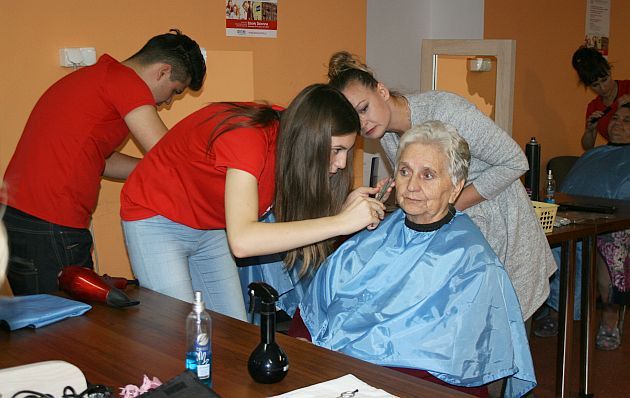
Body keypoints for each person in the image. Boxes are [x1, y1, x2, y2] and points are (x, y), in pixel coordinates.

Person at [289, 121, 536, 398]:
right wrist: (304, 345)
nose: (412, 186)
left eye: (428, 175)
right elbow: (313, 309)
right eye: (405, 171)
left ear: (455, 188)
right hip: (336, 372)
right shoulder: (370, 235)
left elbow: (458, 365)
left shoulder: (474, 262)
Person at [120, 84, 387, 320]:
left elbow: (299, 212)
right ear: (309, 141)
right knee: (176, 334)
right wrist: (339, 223)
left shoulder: (293, 132)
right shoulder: (249, 139)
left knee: (233, 331)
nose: (341, 164)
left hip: (209, 225)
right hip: (155, 216)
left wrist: (342, 208)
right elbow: (243, 241)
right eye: (336, 150)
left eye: (347, 151)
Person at [326, 51, 556, 323]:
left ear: (382, 91)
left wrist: (449, 206)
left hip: (501, 224)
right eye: (354, 119)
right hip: (457, 232)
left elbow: (515, 161)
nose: (362, 123)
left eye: (364, 109)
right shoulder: (386, 135)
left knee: (502, 331)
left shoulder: (448, 112)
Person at [2, 29, 206, 296]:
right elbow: (168, 156)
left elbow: (102, 159)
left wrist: (147, 170)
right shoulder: (126, 83)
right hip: (49, 223)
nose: (167, 102)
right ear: (163, 71)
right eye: (174, 91)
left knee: (47, 323)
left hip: (24, 218)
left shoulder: (100, 77)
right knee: (62, 326)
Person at [541, 104, 630, 350]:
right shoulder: (593, 154)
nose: (617, 124)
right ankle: (558, 310)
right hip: (578, 216)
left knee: (611, 250)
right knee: (555, 243)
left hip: (619, 223)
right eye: (616, 119)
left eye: (626, 120)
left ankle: (610, 318)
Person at [572, 46, 630, 150]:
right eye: (595, 85)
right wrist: (589, 131)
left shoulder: (628, 87)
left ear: (609, 71)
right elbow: (588, 147)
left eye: (604, 80)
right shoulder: (594, 107)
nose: (603, 88)